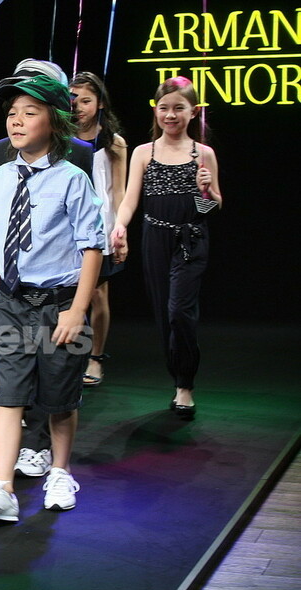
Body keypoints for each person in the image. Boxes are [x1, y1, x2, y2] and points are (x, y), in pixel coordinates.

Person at [0, 74, 104, 521]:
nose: (16, 121)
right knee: (9, 395)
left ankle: (60, 471)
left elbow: (92, 247)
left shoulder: (72, 179)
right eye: (12, 113)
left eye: (29, 113)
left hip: (60, 303)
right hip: (13, 302)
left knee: (60, 398)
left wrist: (77, 310)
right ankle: (2, 487)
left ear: (53, 121)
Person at [110, 76, 221, 419]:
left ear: (194, 112)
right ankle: (177, 378)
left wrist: (205, 191)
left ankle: (185, 385)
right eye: (164, 108)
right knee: (163, 314)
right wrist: (120, 225)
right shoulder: (144, 152)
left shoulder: (203, 154)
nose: (170, 115)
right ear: (156, 111)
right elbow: (130, 199)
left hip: (191, 239)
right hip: (155, 238)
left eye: (179, 108)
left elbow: (213, 207)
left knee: (179, 312)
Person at [70, 71, 128, 387]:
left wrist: (120, 230)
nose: (78, 106)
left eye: (86, 100)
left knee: (96, 293)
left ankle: (96, 357)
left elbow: (118, 191)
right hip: (66, 226)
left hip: (99, 226)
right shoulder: (61, 138)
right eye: (73, 100)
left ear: (100, 103)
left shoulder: (113, 143)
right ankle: (67, 356)